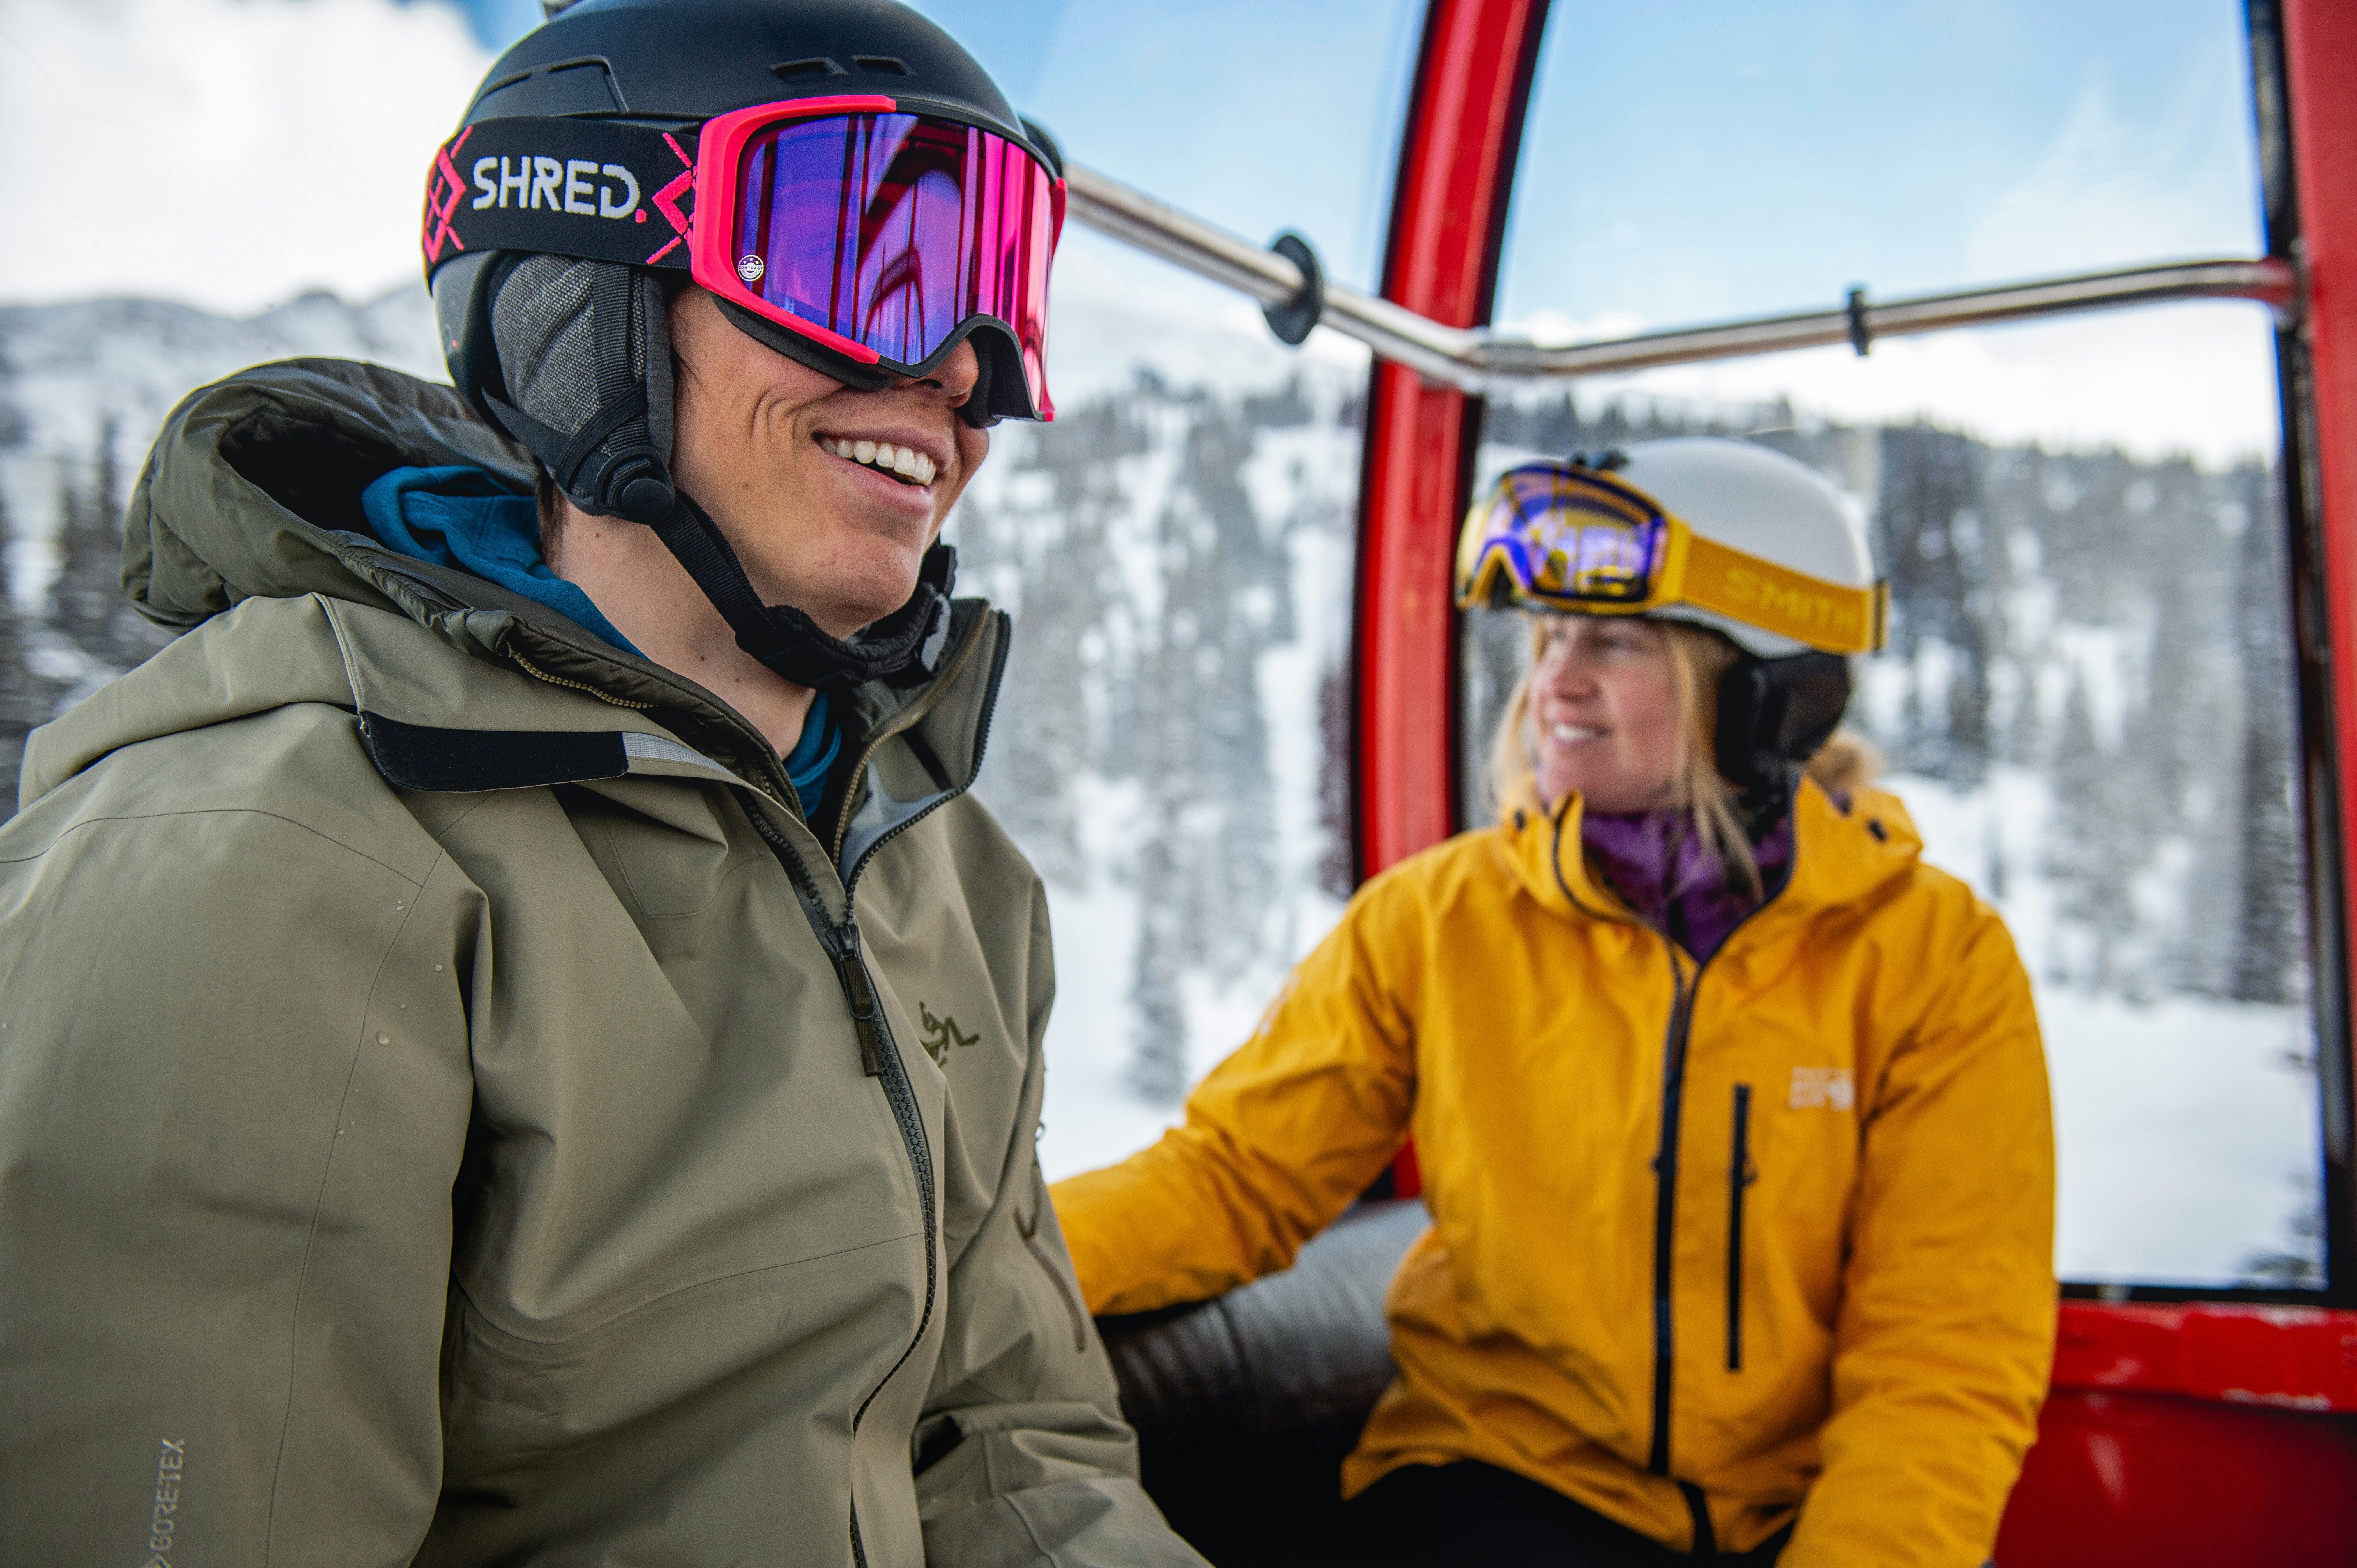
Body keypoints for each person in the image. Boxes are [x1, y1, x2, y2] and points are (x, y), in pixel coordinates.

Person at [0, 4, 1203, 1564]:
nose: (963, 371)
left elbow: (1013, 1448)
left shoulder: (939, 864)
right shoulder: (273, 865)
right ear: (587, 296)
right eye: (867, 256)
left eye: (1000, 295)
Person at [1053, 439, 2058, 1566]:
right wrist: (979, 1257)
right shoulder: (1440, 922)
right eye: (1550, 637)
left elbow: (1945, 1354)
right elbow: (1232, 1181)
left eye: (1617, 642)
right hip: (1489, 1489)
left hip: (1787, 1522)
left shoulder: (1931, 960)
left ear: (1771, 689)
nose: (1554, 683)